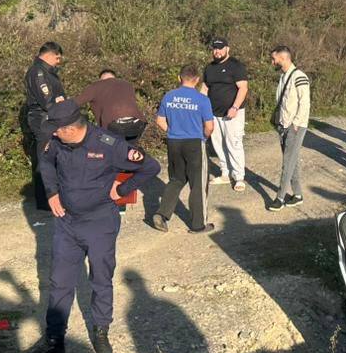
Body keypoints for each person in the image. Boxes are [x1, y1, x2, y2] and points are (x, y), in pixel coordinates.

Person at [27, 99, 161, 353]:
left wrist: (122, 190)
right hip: (67, 224)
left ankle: (100, 331)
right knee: (60, 281)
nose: (52, 133)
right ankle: (55, 341)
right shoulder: (57, 142)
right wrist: (52, 193)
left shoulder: (109, 144)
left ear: (68, 127)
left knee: (100, 279)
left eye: (56, 128)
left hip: (100, 225)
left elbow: (150, 167)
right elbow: (45, 163)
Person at [153, 64, 216, 233]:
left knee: (177, 179)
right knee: (198, 183)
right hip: (194, 142)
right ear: (197, 80)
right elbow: (209, 126)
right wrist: (203, 137)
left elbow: (159, 121)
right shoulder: (202, 99)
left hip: (174, 142)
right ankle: (198, 224)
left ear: (179, 78)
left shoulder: (169, 96)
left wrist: (173, 131)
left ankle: (162, 214)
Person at [266, 45, 311, 211]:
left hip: (295, 126)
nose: (272, 62)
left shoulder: (299, 76)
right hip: (283, 125)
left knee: (287, 162)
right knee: (292, 161)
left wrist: (296, 124)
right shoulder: (283, 76)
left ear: (283, 58)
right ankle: (297, 194)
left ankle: (280, 198)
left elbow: (304, 102)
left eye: (274, 58)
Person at [23, 41, 66, 209]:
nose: (58, 62)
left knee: (52, 157)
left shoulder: (45, 72)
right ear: (50, 55)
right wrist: (59, 102)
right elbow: (48, 101)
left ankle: (53, 197)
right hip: (44, 121)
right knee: (44, 159)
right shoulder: (38, 73)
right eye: (58, 58)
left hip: (49, 120)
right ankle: (45, 200)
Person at [200, 38, 249, 191]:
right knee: (218, 144)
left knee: (233, 143)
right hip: (214, 113)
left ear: (227, 49)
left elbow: (243, 88)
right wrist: (200, 108)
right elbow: (205, 89)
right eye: (214, 48)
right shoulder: (209, 68)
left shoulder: (236, 66)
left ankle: (239, 177)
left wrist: (235, 107)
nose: (217, 51)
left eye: (220, 48)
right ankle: (225, 173)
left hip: (233, 113)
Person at [75, 69, 146, 142]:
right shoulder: (127, 84)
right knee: (128, 147)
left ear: (101, 80)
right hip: (138, 125)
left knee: (102, 139)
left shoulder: (97, 86)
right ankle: (131, 151)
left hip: (114, 127)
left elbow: (76, 102)